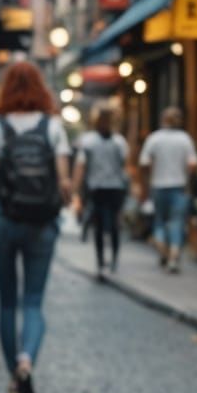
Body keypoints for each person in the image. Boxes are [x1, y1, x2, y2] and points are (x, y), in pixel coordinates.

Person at [0, 62, 70, 393]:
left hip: (1, 220)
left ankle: (13, 376)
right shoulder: (53, 128)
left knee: (7, 302)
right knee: (34, 302)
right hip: (41, 224)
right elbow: (65, 185)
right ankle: (27, 360)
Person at [138, 107, 197, 272]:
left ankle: (163, 251)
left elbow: (144, 163)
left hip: (158, 185)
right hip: (179, 186)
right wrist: (187, 178)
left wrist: (148, 179)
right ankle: (173, 257)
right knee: (177, 222)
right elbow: (193, 164)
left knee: (159, 222)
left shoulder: (155, 138)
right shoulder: (184, 139)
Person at [72, 106, 129, 273]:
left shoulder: (90, 141)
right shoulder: (119, 141)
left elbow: (81, 166)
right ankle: (114, 260)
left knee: (99, 225)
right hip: (115, 187)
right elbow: (125, 164)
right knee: (114, 225)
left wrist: (77, 188)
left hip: (97, 187)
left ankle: (100, 260)